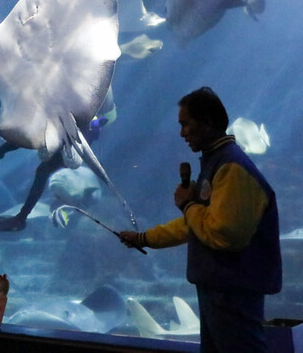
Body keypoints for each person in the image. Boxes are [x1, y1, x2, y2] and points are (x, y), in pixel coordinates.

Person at [119, 87, 281, 352]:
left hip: (233, 288)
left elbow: (224, 235)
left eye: (186, 124)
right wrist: (143, 238)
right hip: (219, 287)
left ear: (207, 122)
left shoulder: (231, 168)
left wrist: (188, 203)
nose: (182, 133)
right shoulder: (216, 163)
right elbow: (195, 224)